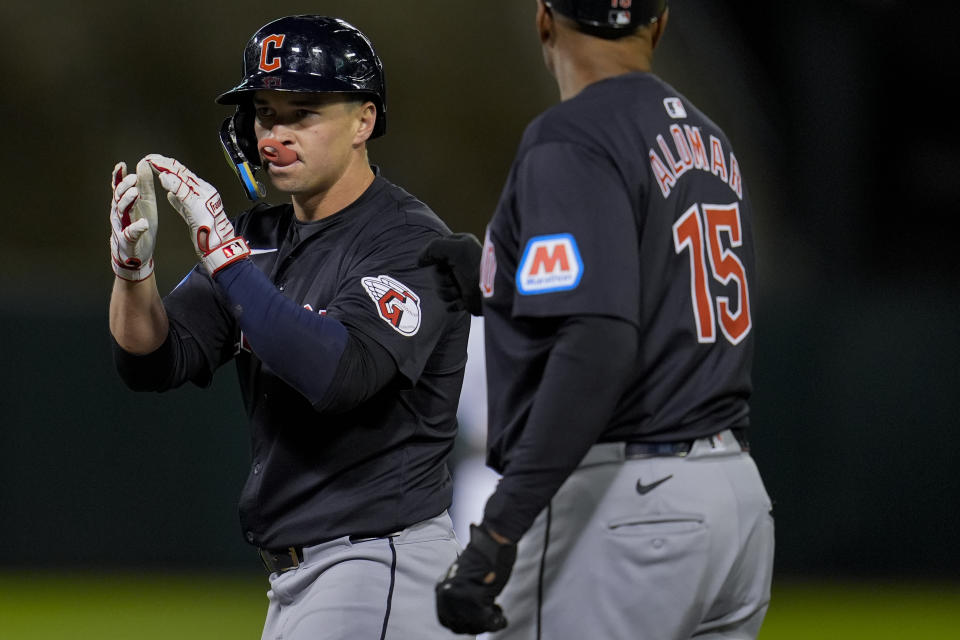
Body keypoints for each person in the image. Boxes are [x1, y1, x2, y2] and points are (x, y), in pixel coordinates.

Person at [108, 15, 472, 640]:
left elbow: (338, 374)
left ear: (364, 120)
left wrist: (223, 255)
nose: (276, 132)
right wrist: (131, 273)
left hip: (380, 562)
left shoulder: (410, 240)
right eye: (265, 112)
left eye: (302, 112)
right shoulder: (260, 239)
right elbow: (153, 360)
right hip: (304, 577)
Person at [424, 1, 775, 638]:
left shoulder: (574, 134)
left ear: (543, 20)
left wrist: (500, 527)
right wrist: (496, 282)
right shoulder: (710, 140)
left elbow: (599, 340)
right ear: (660, 23)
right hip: (736, 500)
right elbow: (651, 294)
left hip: (630, 502)